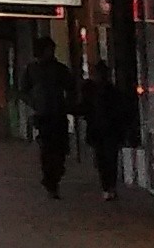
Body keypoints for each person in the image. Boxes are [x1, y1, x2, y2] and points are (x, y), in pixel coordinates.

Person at [24, 39, 80, 197]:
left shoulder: (59, 69)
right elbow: (23, 90)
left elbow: (71, 87)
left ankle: (54, 176)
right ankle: (50, 180)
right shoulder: (32, 69)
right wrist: (34, 102)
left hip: (58, 113)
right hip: (43, 115)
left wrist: (69, 104)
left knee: (60, 149)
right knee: (47, 149)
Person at [84, 57, 137, 199]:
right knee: (104, 160)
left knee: (108, 159)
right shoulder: (94, 91)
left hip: (109, 131)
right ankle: (108, 186)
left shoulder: (109, 92)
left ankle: (109, 187)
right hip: (101, 131)